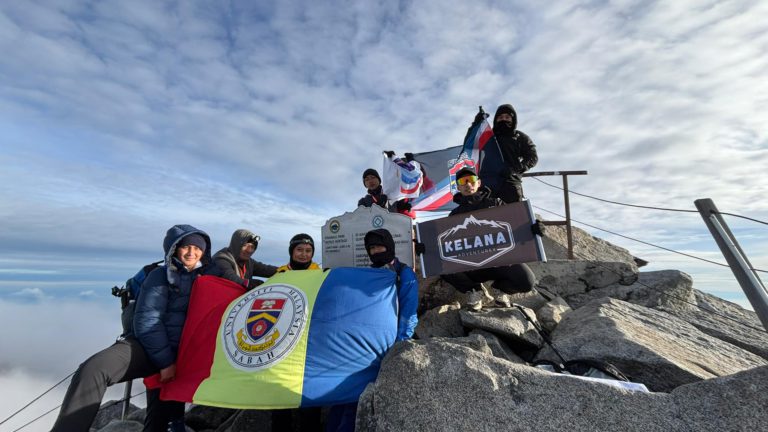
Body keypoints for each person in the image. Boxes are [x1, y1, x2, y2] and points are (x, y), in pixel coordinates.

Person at [51, 225, 213, 432]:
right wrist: (165, 363)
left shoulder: (210, 276)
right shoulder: (159, 276)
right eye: (186, 247)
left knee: (159, 420)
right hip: (150, 349)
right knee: (94, 369)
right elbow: (147, 320)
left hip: (185, 355)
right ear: (173, 249)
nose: (192, 252)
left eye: (197, 248)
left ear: (204, 251)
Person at [326, 228, 419, 432]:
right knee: (344, 398)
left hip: (384, 347)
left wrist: (399, 344)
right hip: (360, 346)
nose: (376, 251)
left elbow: (409, 312)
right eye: (372, 248)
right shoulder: (367, 274)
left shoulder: (404, 274)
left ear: (390, 246)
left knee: (358, 400)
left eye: (380, 246)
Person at [441, 166, 536, 311]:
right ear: (458, 187)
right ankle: (474, 291)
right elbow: (447, 244)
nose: (468, 184)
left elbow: (516, 224)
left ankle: (500, 290)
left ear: (478, 183)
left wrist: (533, 228)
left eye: (471, 180)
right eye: (463, 181)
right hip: (472, 267)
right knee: (442, 267)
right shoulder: (454, 215)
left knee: (526, 281)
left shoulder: (496, 203)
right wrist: (427, 247)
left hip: (501, 261)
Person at [469, 104, 537, 203]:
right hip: (487, 183)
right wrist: (476, 124)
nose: (503, 119)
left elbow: (532, 157)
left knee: (513, 215)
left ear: (513, 120)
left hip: (510, 182)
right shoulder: (487, 136)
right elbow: (471, 143)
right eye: (500, 117)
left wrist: (515, 169)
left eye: (507, 117)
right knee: (486, 215)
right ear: (496, 120)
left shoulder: (520, 137)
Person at [213, 229, 277, 289]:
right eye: (245, 245)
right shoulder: (221, 259)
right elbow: (230, 277)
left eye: (252, 247)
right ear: (236, 245)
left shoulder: (248, 262)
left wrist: (284, 269)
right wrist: (247, 283)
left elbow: (266, 269)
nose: (249, 250)